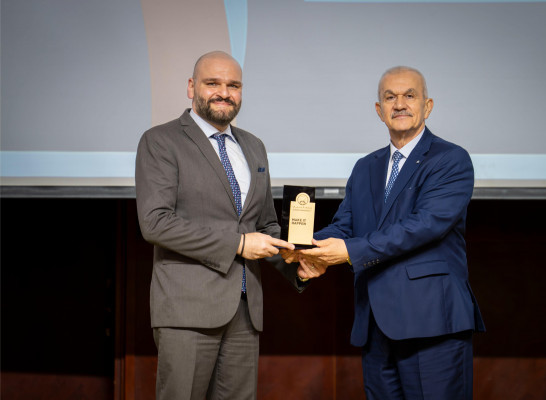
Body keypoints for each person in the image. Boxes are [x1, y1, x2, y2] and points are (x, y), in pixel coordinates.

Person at [283, 66, 485, 399]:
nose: (399, 104)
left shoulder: (450, 159)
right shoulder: (366, 166)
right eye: (390, 97)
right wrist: (306, 247)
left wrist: (350, 252)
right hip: (375, 325)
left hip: (431, 323)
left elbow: (424, 226)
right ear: (379, 110)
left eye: (410, 95)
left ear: (428, 106)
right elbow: (346, 225)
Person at [135, 51, 305, 400]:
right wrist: (238, 244)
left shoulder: (254, 147)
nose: (224, 93)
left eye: (233, 85)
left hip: (245, 311)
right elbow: (155, 223)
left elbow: (265, 225)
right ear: (191, 87)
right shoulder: (161, 141)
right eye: (212, 83)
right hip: (187, 310)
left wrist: (297, 263)